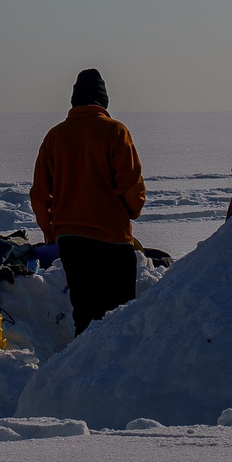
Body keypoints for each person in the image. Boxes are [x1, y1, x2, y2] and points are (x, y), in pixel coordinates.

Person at [30, 68, 148, 334]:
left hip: (72, 241)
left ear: (74, 100)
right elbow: (131, 183)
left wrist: (51, 232)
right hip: (113, 239)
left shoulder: (55, 136)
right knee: (119, 317)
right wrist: (132, 210)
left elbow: (39, 194)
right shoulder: (115, 131)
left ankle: (82, 360)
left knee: (84, 315)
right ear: (103, 100)